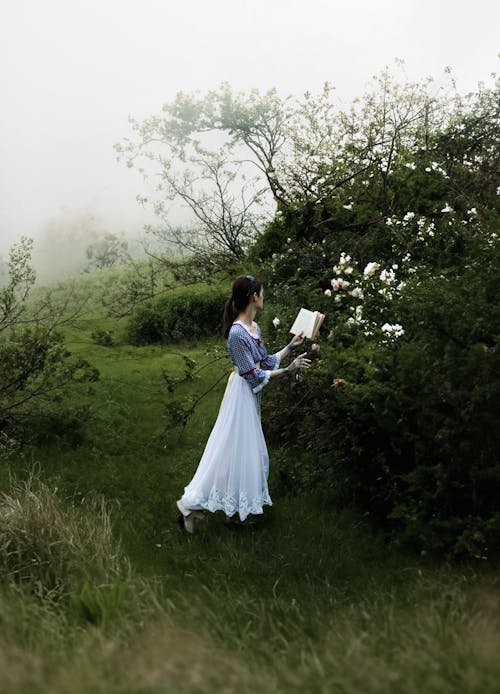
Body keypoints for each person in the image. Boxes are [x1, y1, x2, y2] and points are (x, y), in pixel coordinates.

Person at [176, 274, 311, 533]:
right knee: (237, 451)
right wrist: (289, 370)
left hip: (249, 395)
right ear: (254, 296)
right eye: (262, 292)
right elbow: (252, 375)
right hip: (241, 395)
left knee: (243, 452)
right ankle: (191, 509)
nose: (264, 296)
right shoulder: (237, 334)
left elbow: (266, 361)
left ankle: (236, 514)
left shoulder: (254, 328)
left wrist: (290, 347)